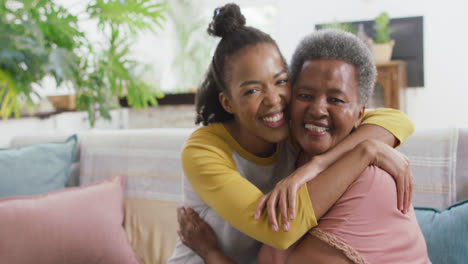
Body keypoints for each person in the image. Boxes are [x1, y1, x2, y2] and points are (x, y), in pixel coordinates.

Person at [168, 4, 414, 264]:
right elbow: (278, 229)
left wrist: (318, 164)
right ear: (227, 102)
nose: (273, 100)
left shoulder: (290, 129)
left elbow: (395, 119)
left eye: (280, 81)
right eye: (252, 90)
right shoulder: (203, 150)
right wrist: (366, 152)